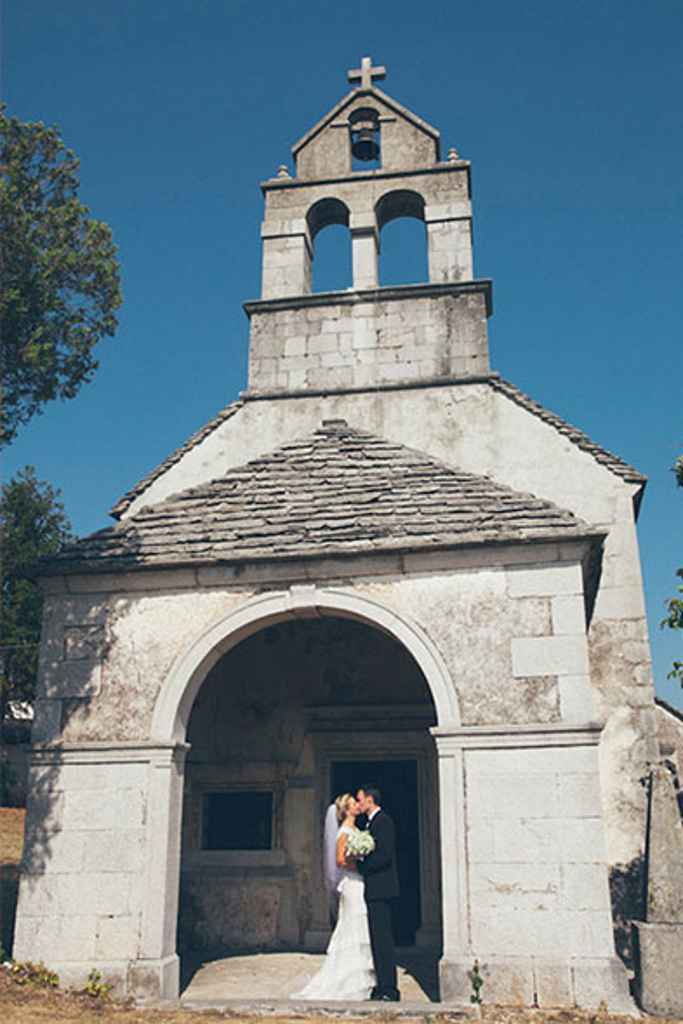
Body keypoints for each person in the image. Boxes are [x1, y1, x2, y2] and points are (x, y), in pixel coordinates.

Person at [291, 793, 375, 1001]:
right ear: (346, 810)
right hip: (352, 883)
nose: (357, 805)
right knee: (353, 927)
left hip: (359, 882)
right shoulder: (345, 831)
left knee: (359, 927)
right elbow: (339, 860)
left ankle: (360, 979)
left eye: (357, 802)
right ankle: (348, 980)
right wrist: (361, 864)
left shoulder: (356, 829)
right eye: (353, 803)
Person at [356, 784, 400, 1001]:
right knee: (376, 939)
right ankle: (381, 985)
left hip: (381, 888)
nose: (358, 803)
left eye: (360, 799)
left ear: (370, 800)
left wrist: (362, 865)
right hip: (375, 889)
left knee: (383, 939)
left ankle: (390, 989)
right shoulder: (371, 823)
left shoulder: (384, 822)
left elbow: (384, 855)